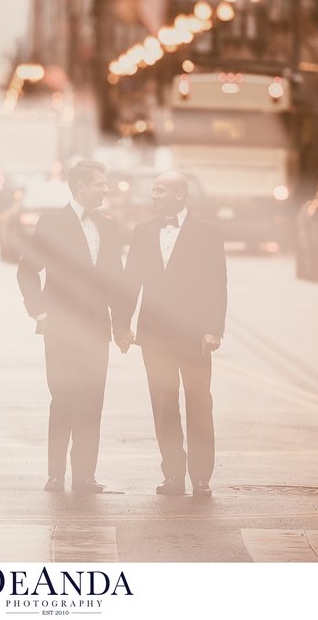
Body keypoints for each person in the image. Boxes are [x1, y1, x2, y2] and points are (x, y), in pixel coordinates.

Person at [17, 161, 129, 493]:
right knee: (64, 398)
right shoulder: (52, 223)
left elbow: (117, 282)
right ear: (80, 186)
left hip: (97, 329)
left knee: (93, 401)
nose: (106, 189)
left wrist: (121, 326)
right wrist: (41, 315)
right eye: (100, 184)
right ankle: (55, 474)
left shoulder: (109, 227)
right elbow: (27, 271)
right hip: (61, 329)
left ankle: (85, 476)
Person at [117, 171, 227, 497]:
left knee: (199, 404)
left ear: (180, 195)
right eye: (154, 191)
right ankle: (173, 476)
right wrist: (122, 325)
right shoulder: (142, 232)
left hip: (194, 335)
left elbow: (216, 283)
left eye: (161, 190)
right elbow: (130, 281)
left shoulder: (208, 233)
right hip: (154, 335)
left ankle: (201, 476)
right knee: (163, 406)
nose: (155, 196)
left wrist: (213, 329)